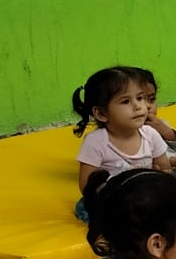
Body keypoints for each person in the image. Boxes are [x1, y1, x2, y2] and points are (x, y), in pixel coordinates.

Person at [71, 66, 169, 198]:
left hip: (148, 195)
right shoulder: (96, 141)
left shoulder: (150, 134)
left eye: (140, 98)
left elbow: (166, 170)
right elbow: (87, 187)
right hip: (114, 199)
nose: (138, 106)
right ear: (101, 113)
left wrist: (159, 179)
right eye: (125, 101)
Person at [125, 67, 176, 182]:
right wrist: (175, 160)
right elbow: (146, 159)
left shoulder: (159, 124)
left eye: (151, 99)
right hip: (155, 179)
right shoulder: (128, 133)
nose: (148, 106)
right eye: (139, 99)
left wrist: (165, 130)